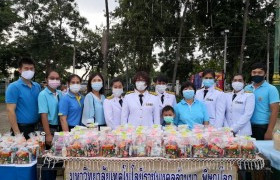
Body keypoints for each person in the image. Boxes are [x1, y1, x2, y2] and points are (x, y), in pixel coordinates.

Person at [6, 58, 41, 139]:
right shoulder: (14, 87)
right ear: (20, 70)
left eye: (31, 69)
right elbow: (10, 111)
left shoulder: (37, 86)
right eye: (26, 68)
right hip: (22, 129)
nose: (29, 71)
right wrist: (18, 134)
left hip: (36, 127)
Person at [245, 63, 280, 140]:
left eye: (260, 72)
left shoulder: (271, 89)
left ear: (265, 74)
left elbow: (275, 111)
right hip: (247, 126)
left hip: (262, 127)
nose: (256, 74)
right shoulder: (247, 88)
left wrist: (269, 131)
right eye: (254, 72)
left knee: (260, 151)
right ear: (251, 73)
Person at [38, 70, 63, 147]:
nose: (55, 80)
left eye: (57, 78)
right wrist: (48, 135)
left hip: (59, 127)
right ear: (46, 79)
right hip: (49, 127)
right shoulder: (43, 95)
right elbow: (43, 115)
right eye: (52, 78)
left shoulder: (60, 93)